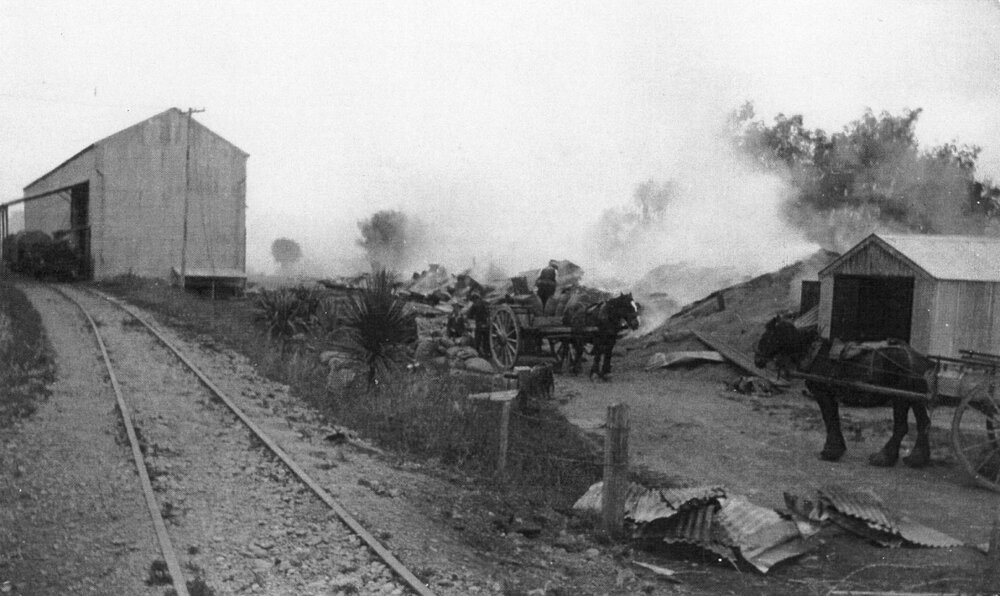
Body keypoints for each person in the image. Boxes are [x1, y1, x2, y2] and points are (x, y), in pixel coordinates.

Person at [467, 292, 491, 357]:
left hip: (479, 325)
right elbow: (489, 312)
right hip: (487, 324)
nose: (473, 301)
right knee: (486, 339)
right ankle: (487, 352)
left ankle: (477, 353)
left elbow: (469, 315)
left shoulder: (474, 305)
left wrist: (471, 318)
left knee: (478, 339)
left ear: (474, 299)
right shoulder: (485, 303)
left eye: (473, 299)